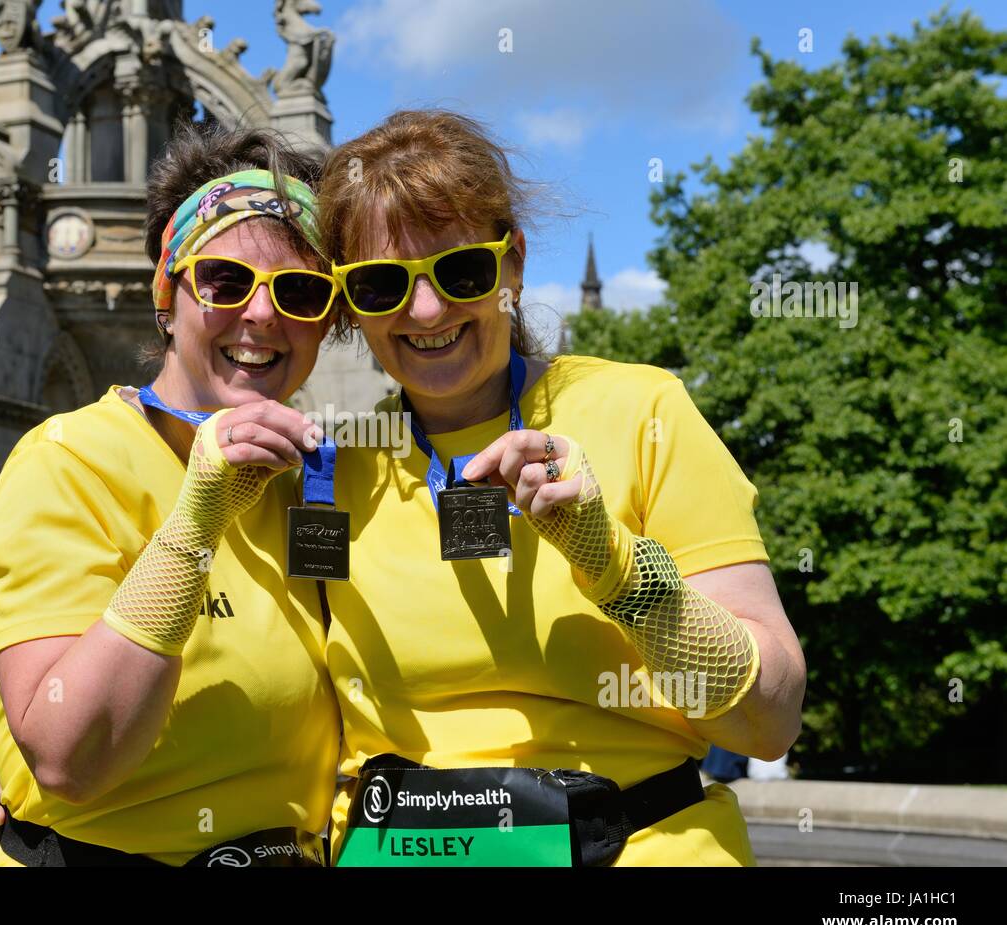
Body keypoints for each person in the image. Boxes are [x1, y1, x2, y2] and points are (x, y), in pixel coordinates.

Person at [312, 110, 806, 866]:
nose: (427, 310)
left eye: (461, 271)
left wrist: (616, 566)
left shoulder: (645, 412)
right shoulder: (331, 474)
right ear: (347, 300)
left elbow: (768, 722)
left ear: (511, 264)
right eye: (381, 285)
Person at [0, 122, 340, 867]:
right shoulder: (68, 460)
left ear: (326, 318)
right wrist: (196, 523)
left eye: (299, 290)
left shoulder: (324, 476)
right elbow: (69, 758)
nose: (262, 315)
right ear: (168, 295)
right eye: (226, 282)